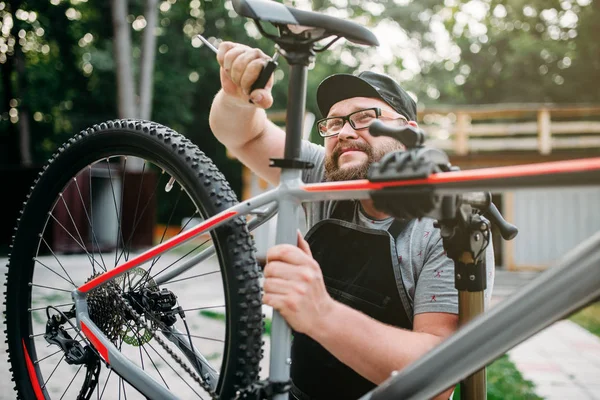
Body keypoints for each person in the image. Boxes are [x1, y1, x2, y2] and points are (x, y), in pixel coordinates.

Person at [209, 41, 495, 400]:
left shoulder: (447, 225)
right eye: (333, 123)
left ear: (407, 133)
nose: (343, 132)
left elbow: (437, 376)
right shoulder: (325, 177)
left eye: (364, 117)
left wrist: (320, 313)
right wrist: (236, 98)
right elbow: (242, 133)